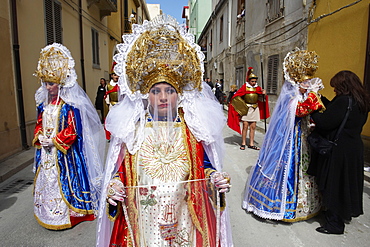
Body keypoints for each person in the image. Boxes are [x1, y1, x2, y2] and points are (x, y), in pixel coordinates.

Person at [96, 15, 233, 247]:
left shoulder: (191, 129)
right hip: (143, 218)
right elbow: (121, 172)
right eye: (155, 91)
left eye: (169, 90)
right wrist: (115, 186)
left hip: (184, 216)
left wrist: (215, 179)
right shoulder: (134, 129)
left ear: (178, 94)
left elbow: (204, 168)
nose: (162, 97)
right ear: (145, 95)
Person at [242, 49, 325, 222]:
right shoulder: (291, 96)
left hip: (303, 137)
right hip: (289, 139)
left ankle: (303, 205)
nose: (308, 84)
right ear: (297, 82)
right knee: (286, 167)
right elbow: (299, 111)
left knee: (304, 168)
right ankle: (278, 205)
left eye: (309, 81)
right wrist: (313, 99)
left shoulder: (304, 95)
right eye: (305, 82)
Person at [32, 43, 105, 230]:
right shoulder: (43, 105)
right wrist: (40, 136)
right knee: (47, 181)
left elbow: (74, 129)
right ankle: (48, 213)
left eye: (52, 83)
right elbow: (40, 124)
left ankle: (69, 213)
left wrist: (55, 141)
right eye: (46, 83)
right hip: (47, 154)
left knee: (65, 180)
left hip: (65, 154)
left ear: (61, 83)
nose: (48, 88)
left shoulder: (69, 105)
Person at [308, 70, 370, 234]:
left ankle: (334, 224)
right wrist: (320, 99)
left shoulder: (343, 101)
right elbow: (337, 112)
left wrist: (312, 108)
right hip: (354, 148)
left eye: (336, 87)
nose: (334, 90)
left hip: (339, 149)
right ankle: (343, 213)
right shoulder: (361, 100)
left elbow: (325, 122)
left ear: (343, 86)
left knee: (334, 184)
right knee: (347, 184)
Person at [227, 67, 269, 150]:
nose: (254, 83)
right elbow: (237, 96)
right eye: (252, 81)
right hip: (246, 109)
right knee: (245, 126)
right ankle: (243, 143)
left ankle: (251, 143)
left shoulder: (258, 88)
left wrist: (264, 94)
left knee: (253, 126)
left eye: (255, 81)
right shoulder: (244, 87)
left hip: (255, 108)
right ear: (249, 81)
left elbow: (261, 99)